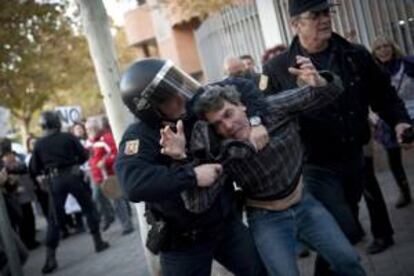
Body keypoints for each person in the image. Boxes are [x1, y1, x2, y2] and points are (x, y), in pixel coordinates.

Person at [262, 0, 413, 273]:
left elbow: (383, 95)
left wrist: (400, 122)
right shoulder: (278, 68)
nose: (324, 19)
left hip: (354, 157)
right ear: (295, 24)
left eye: (326, 12)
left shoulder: (354, 54)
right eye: (315, 15)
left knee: (339, 235)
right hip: (313, 164)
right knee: (343, 228)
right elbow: (267, 116)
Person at [184, 59, 365, 276]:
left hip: (304, 203)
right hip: (266, 218)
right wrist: (185, 164)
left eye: (228, 114)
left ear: (242, 104)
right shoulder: (220, 149)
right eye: (217, 124)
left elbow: (330, 91)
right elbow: (196, 203)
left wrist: (318, 81)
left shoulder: (273, 108)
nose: (228, 126)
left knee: (348, 261)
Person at [115, 58, 267, 276]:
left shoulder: (193, 105)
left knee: (261, 272)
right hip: (184, 241)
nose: (179, 96)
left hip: (225, 226)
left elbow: (243, 87)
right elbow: (133, 183)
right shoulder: (140, 137)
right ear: (150, 108)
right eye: (169, 96)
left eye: (177, 86)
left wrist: (255, 121)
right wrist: (191, 176)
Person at [29, 111, 109, 274]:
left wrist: (46, 171)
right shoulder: (67, 137)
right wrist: (73, 162)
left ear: (43, 125)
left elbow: (34, 168)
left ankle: (50, 259)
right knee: (88, 209)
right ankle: (98, 242)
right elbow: (83, 155)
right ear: (57, 122)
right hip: (72, 175)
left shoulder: (39, 143)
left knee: (54, 219)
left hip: (55, 180)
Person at [371, 36, 414, 208]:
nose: (383, 50)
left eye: (386, 45)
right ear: (374, 52)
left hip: (412, 111)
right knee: (393, 157)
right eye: (379, 47)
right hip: (388, 117)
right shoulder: (373, 71)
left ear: (392, 47)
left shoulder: (408, 63)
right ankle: (404, 192)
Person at [85, 116, 134, 235]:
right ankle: (109, 216)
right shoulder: (89, 142)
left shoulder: (106, 138)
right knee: (97, 198)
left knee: (117, 200)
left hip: (108, 175)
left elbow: (115, 154)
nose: (90, 130)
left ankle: (127, 225)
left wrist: (105, 162)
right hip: (96, 176)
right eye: (88, 128)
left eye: (92, 127)